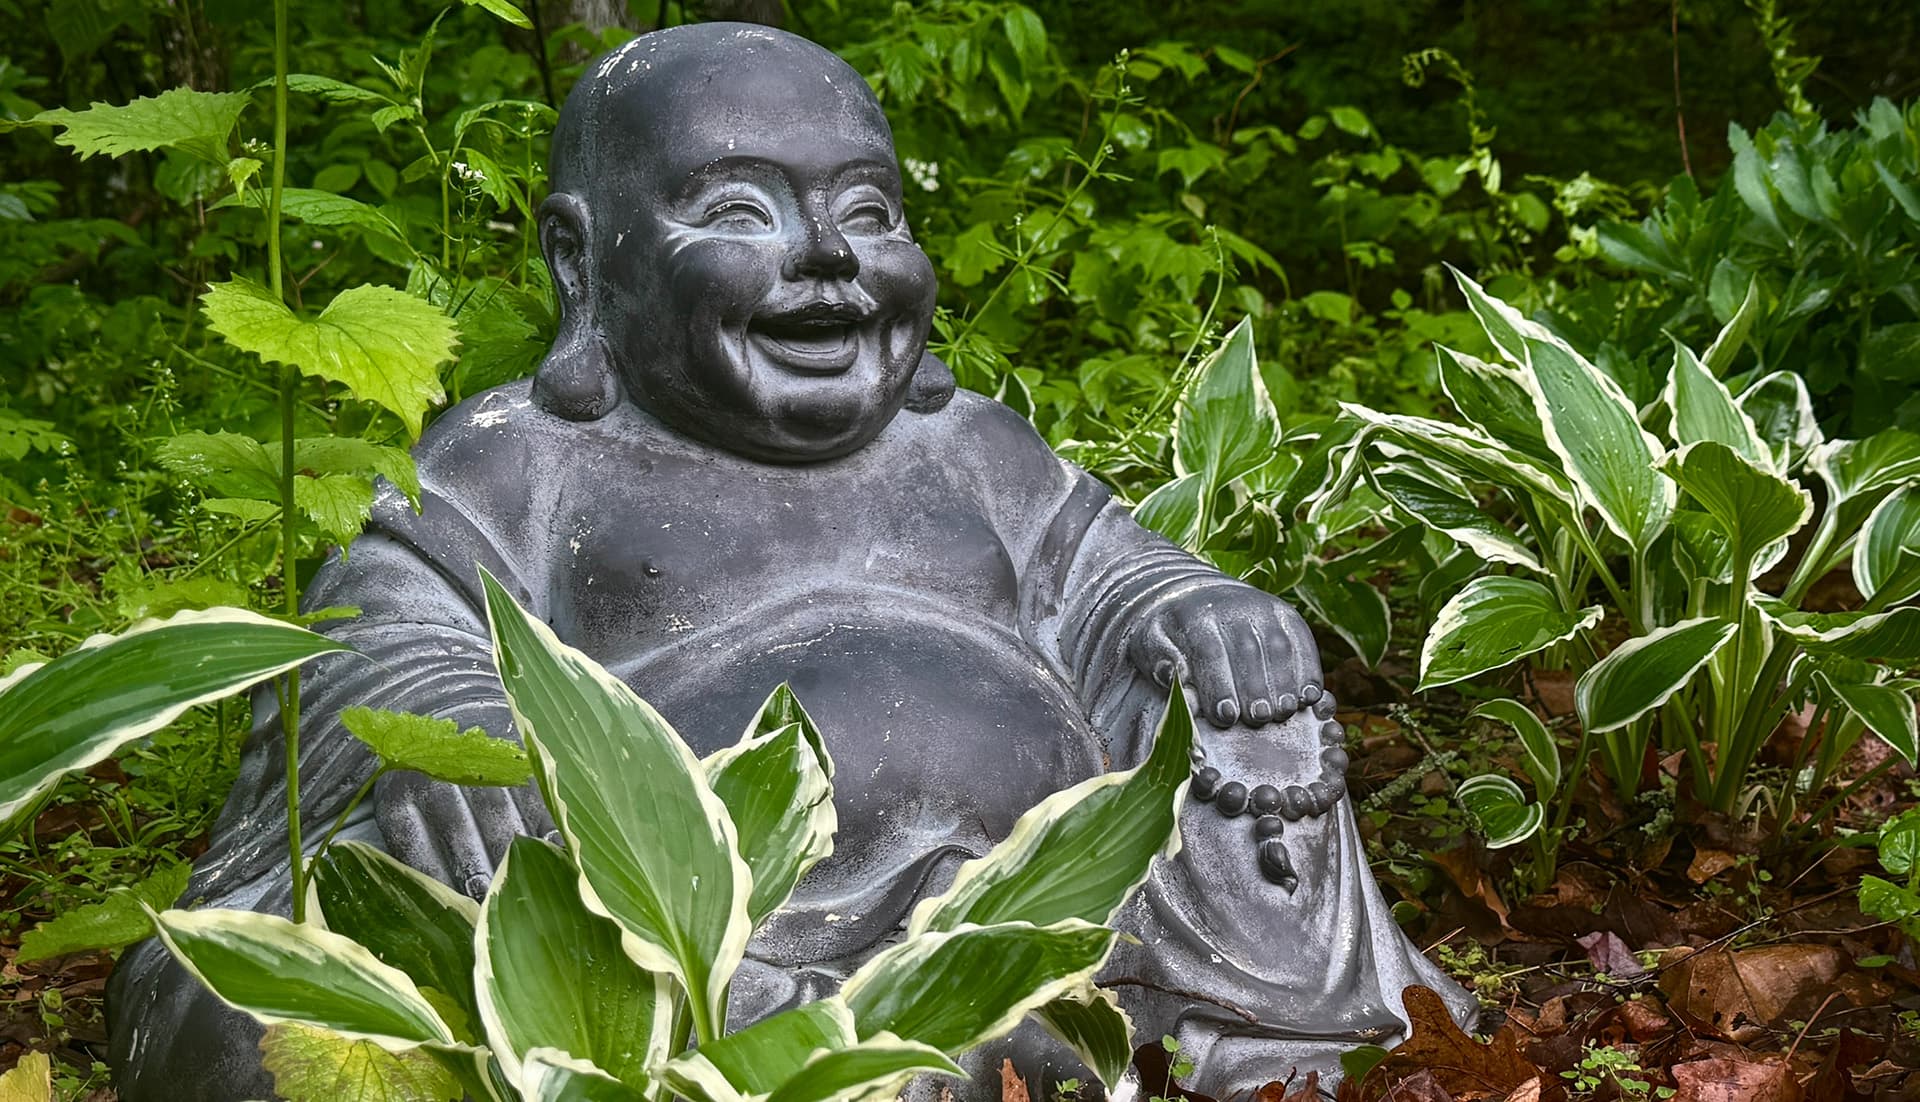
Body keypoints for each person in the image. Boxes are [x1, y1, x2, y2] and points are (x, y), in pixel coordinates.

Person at [108, 24, 1473, 1098]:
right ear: (584, 261)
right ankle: (868, 1056)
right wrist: (461, 724)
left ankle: (1120, 1036)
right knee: (255, 1016)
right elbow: (387, 618)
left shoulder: (972, 450)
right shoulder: (521, 461)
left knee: (1247, 743)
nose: (828, 258)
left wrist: (1202, 610)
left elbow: (1110, 573)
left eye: (872, 213)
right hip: (688, 956)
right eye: (740, 210)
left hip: (1064, 913)